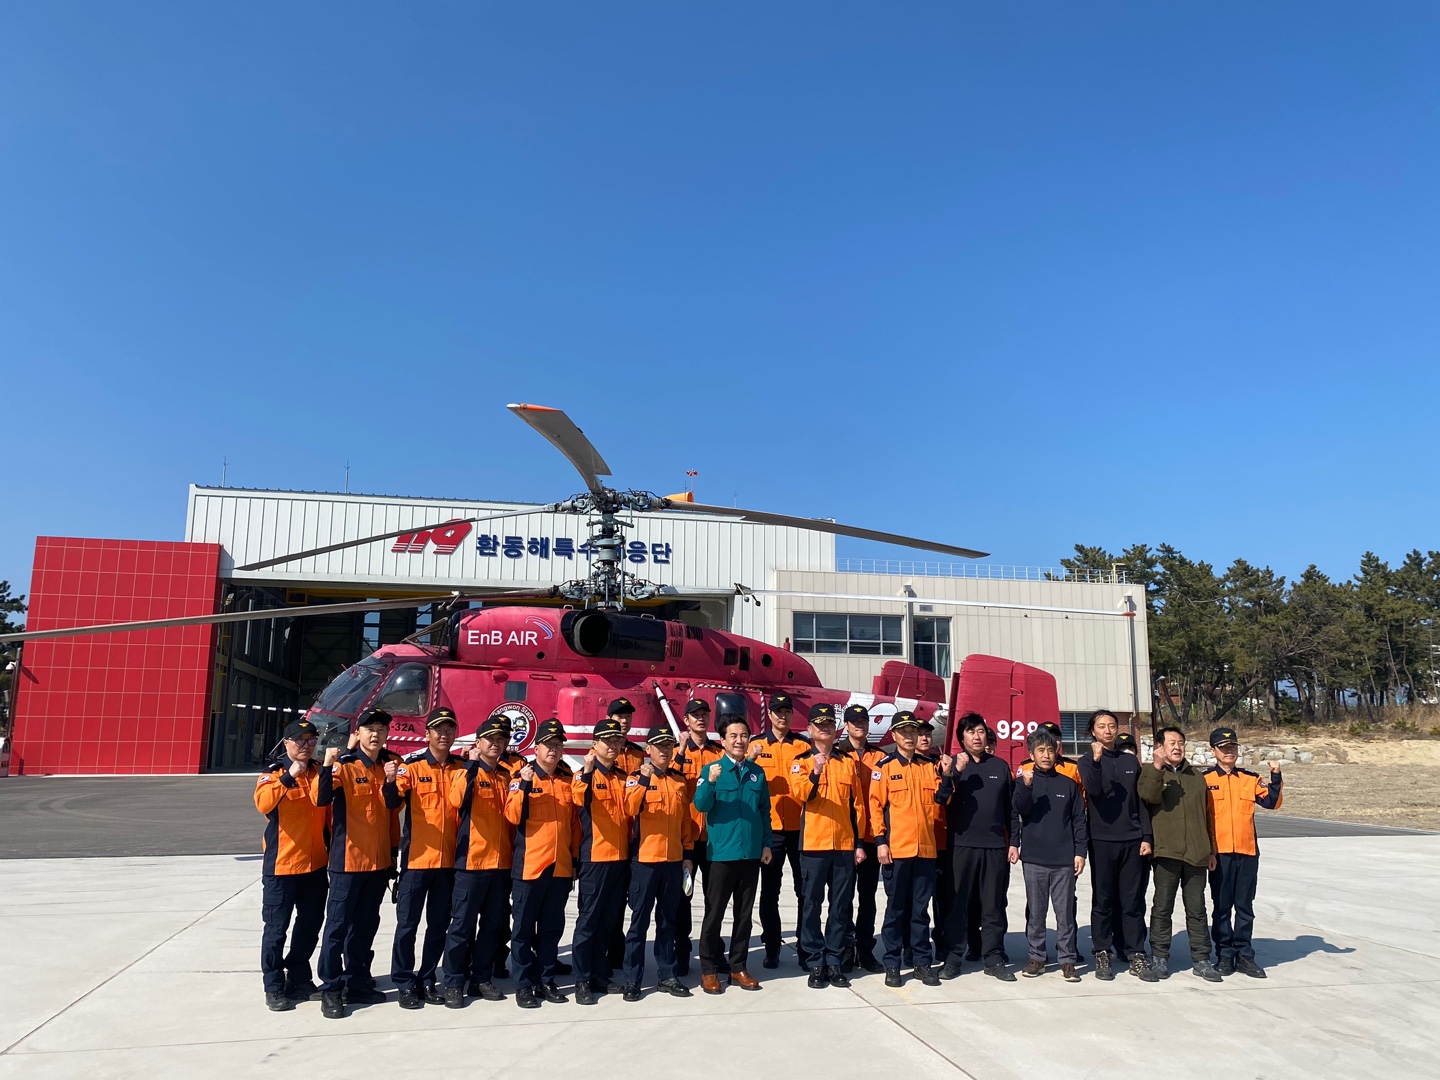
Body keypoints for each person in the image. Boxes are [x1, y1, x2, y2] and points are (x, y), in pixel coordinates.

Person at [315, 709, 404, 1018]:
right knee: (337, 928)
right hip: (347, 862)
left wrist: (390, 779)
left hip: (377, 864)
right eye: (369, 728)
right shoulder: (345, 765)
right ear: (358, 733)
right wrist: (328, 765)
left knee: (365, 927)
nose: (375, 734)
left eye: (381, 728)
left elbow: (393, 805)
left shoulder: (388, 766)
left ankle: (357, 980)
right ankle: (330, 987)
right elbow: (322, 798)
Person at [389, 707, 465, 1009]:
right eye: (438, 729)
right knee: (407, 926)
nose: (444, 735)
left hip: (448, 863)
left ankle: (428, 978)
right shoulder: (412, 767)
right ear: (427, 734)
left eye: (449, 729)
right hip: (416, 861)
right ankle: (404, 982)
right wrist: (390, 781)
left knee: (438, 926)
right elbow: (393, 802)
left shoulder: (462, 767)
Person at [693, 712, 773, 994]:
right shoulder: (712, 770)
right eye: (733, 736)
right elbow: (701, 805)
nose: (739, 740)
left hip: (750, 854)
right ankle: (709, 970)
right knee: (714, 914)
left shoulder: (757, 772)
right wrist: (711, 782)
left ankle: (738, 967)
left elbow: (764, 811)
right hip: (721, 855)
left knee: (744, 915)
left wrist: (766, 844)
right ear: (723, 740)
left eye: (744, 735)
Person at [789, 703, 867, 988]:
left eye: (829, 725)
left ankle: (834, 960)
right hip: (814, 844)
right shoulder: (800, 762)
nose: (825, 729)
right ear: (809, 729)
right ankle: (814, 961)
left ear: (836, 730)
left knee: (840, 905)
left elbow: (857, 806)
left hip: (844, 845)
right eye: (819, 725)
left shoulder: (847, 762)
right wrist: (816, 771)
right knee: (811, 905)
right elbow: (801, 794)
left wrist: (859, 843)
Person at [254, 717, 329, 1011]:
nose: (306, 745)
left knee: (310, 926)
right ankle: (273, 986)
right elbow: (263, 804)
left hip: (315, 866)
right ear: (287, 743)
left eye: (311, 740)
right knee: (276, 930)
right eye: (300, 740)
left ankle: (299, 978)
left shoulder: (319, 771)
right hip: (282, 867)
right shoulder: (273, 773)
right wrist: (289, 777)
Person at [1078, 710, 1158, 983]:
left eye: (1112, 725)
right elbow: (1093, 790)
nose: (1108, 730)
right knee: (1103, 900)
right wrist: (1096, 761)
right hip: (1102, 840)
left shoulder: (1129, 761)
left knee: (1132, 900)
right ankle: (1102, 951)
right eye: (1101, 726)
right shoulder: (1087, 761)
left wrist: (1146, 836)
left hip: (1132, 839)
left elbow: (1140, 802)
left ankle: (1135, 952)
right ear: (1093, 731)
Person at [506, 718, 580, 1009]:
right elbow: (513, 816)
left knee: (551, 928)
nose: (553, 750)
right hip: (530, 866)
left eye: (558, 745)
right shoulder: (521, 778)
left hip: (560, 866)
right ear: (536, 748)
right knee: (523, 930)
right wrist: (524, 784)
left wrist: (574, 858)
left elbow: (574, 824)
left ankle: (547, 980)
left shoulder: (566, 780)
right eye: (548, 744)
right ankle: (524, 984)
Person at [441, 714, 515, 1006]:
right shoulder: (467, 772)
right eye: (490, 739)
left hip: (500, 864)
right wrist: (470, 765)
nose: (495, 743)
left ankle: (480, 978)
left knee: (492, 927)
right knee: (461, 926)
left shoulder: (506, 776)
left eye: (500, 739)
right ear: (478, 743)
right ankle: (453, 981)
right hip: (472, 864)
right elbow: (456, 800)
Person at [1138, 726, 1222, 982]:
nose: (1177, 747)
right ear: (1159, 747)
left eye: (1181, 743)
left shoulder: (1196, 776)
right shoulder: (1149, 772)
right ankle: (1159, 957)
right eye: (1171, 743)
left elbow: (1206, 816)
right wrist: (1157, 767)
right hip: (1167, 853)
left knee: (1197, 910)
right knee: (1163, 908)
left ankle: (1202, 959)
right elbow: (1148, 797)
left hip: (1197, 854)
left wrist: (1210, 850)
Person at [937, 713, 1015, 981]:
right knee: (957, 904)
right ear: (962, 738)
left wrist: (1014, 842)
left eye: (980, 731)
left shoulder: (1000, 767)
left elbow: (1010, 810)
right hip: (961, 846)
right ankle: (953, 958)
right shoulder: (951, 764)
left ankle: (993, 957)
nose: (977, 737)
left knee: (992, 906)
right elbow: (941, 798)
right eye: (971, 732)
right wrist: (955, 772)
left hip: (994, 847)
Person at [621, 727, 697, 1000]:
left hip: (673, 861)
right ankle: (632, 979)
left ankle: (667, 974)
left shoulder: (678, 780)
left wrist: (688, 855)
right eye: (659, 746)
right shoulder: (635, 777)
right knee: (639, 922)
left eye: (668, 745)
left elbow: (685, 821)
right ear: (648, 750)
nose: (664, 750)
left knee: (667, 921)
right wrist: (643, 779)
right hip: (645, 861)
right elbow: (630, 809)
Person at [870, 711, 943, 987]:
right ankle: (892, 963)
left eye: (913, 731)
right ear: (894, 735)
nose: (910, 736)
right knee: (895, 910)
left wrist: (948, 776)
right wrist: (880, 842)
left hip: (925, 850)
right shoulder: (885, 767)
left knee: (920, 910)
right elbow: (875, 807)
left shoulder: (929, 766)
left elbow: (942, 799)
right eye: (904, 732)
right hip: (897, 850)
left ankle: (922, 962)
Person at [1205, 727, 1283, 978]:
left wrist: (1276, 777)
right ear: (1213, 751)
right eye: (1223, 748)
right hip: (1220, 853)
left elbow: (1272, 802)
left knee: (1245, 906)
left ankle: (1245, 955)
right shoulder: (1204, 780)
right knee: (1222, 907)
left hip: (1247, 852)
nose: (1229, 752)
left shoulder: (1250, 778)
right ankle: (1224, 955)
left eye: (1233, 747)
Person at [1011, 726, 1087, 982]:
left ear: (1057, 753)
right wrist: (1026, 786)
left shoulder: (1069, 784)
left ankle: (1067, 959)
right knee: (1036, 912)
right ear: (1031, 754)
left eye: (1050, 750)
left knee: (1065, 913)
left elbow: (1079, 820)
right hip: (1034, 858)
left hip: (1064, 859)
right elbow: (1019, 810)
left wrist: (1080, 852)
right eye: (1040, 750)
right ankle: (1037, 957)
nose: (1046, 755)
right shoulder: (1023, 782)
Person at [571, 716, 634, 1005]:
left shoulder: (622, 777)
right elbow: (578, 798)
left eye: (617, 741)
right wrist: (586, 770)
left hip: (619, 860)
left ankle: (599, 974)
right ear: (594, 744)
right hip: (595, 859)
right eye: (607, 741)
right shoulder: (583, 775)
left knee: (608, 922)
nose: (612, 746)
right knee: (588, 922)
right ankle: (582, 979)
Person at [748, 691, 811, 970]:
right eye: (778, 711)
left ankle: (805, 945)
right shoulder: (756, 745)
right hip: (770, 829)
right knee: (769, 891)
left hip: (801, 828)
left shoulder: (803, 745)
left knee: (804, 890)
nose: (783, 716)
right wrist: (751, 759)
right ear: (770, 714)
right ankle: (772, 947)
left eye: (787, 711)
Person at [672, 698, 724, 976]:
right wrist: (681, 749)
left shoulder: (719, 752)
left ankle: (714, 952)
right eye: (695, 715)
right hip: (687, 837)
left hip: (714, 838)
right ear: (686, 720)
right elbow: (671, 778)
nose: (701, 719)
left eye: (705, 714)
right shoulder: (677, 752)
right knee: (684, 900)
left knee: (715, 900)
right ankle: (682, 954)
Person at [840, 704, 885, 973]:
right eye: (854, 721)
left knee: (868, 898)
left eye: (863, 721)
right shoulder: (837, 755)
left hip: (870, 836)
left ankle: (865, 950)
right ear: (846, 725)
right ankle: (846, 948)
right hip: (845, 836)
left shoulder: (880, 757)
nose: (859, 725)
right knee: (844, 897)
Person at [916, 725, 950, 962]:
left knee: (943, 898)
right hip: (917, 842)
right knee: (916, 900)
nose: (924, 738)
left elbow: (948, 797)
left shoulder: (940, 765)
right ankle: (912, 946)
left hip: (941, 841)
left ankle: (942, 943)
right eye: (919, 734)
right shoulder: (903, 766)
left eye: (928, 734)